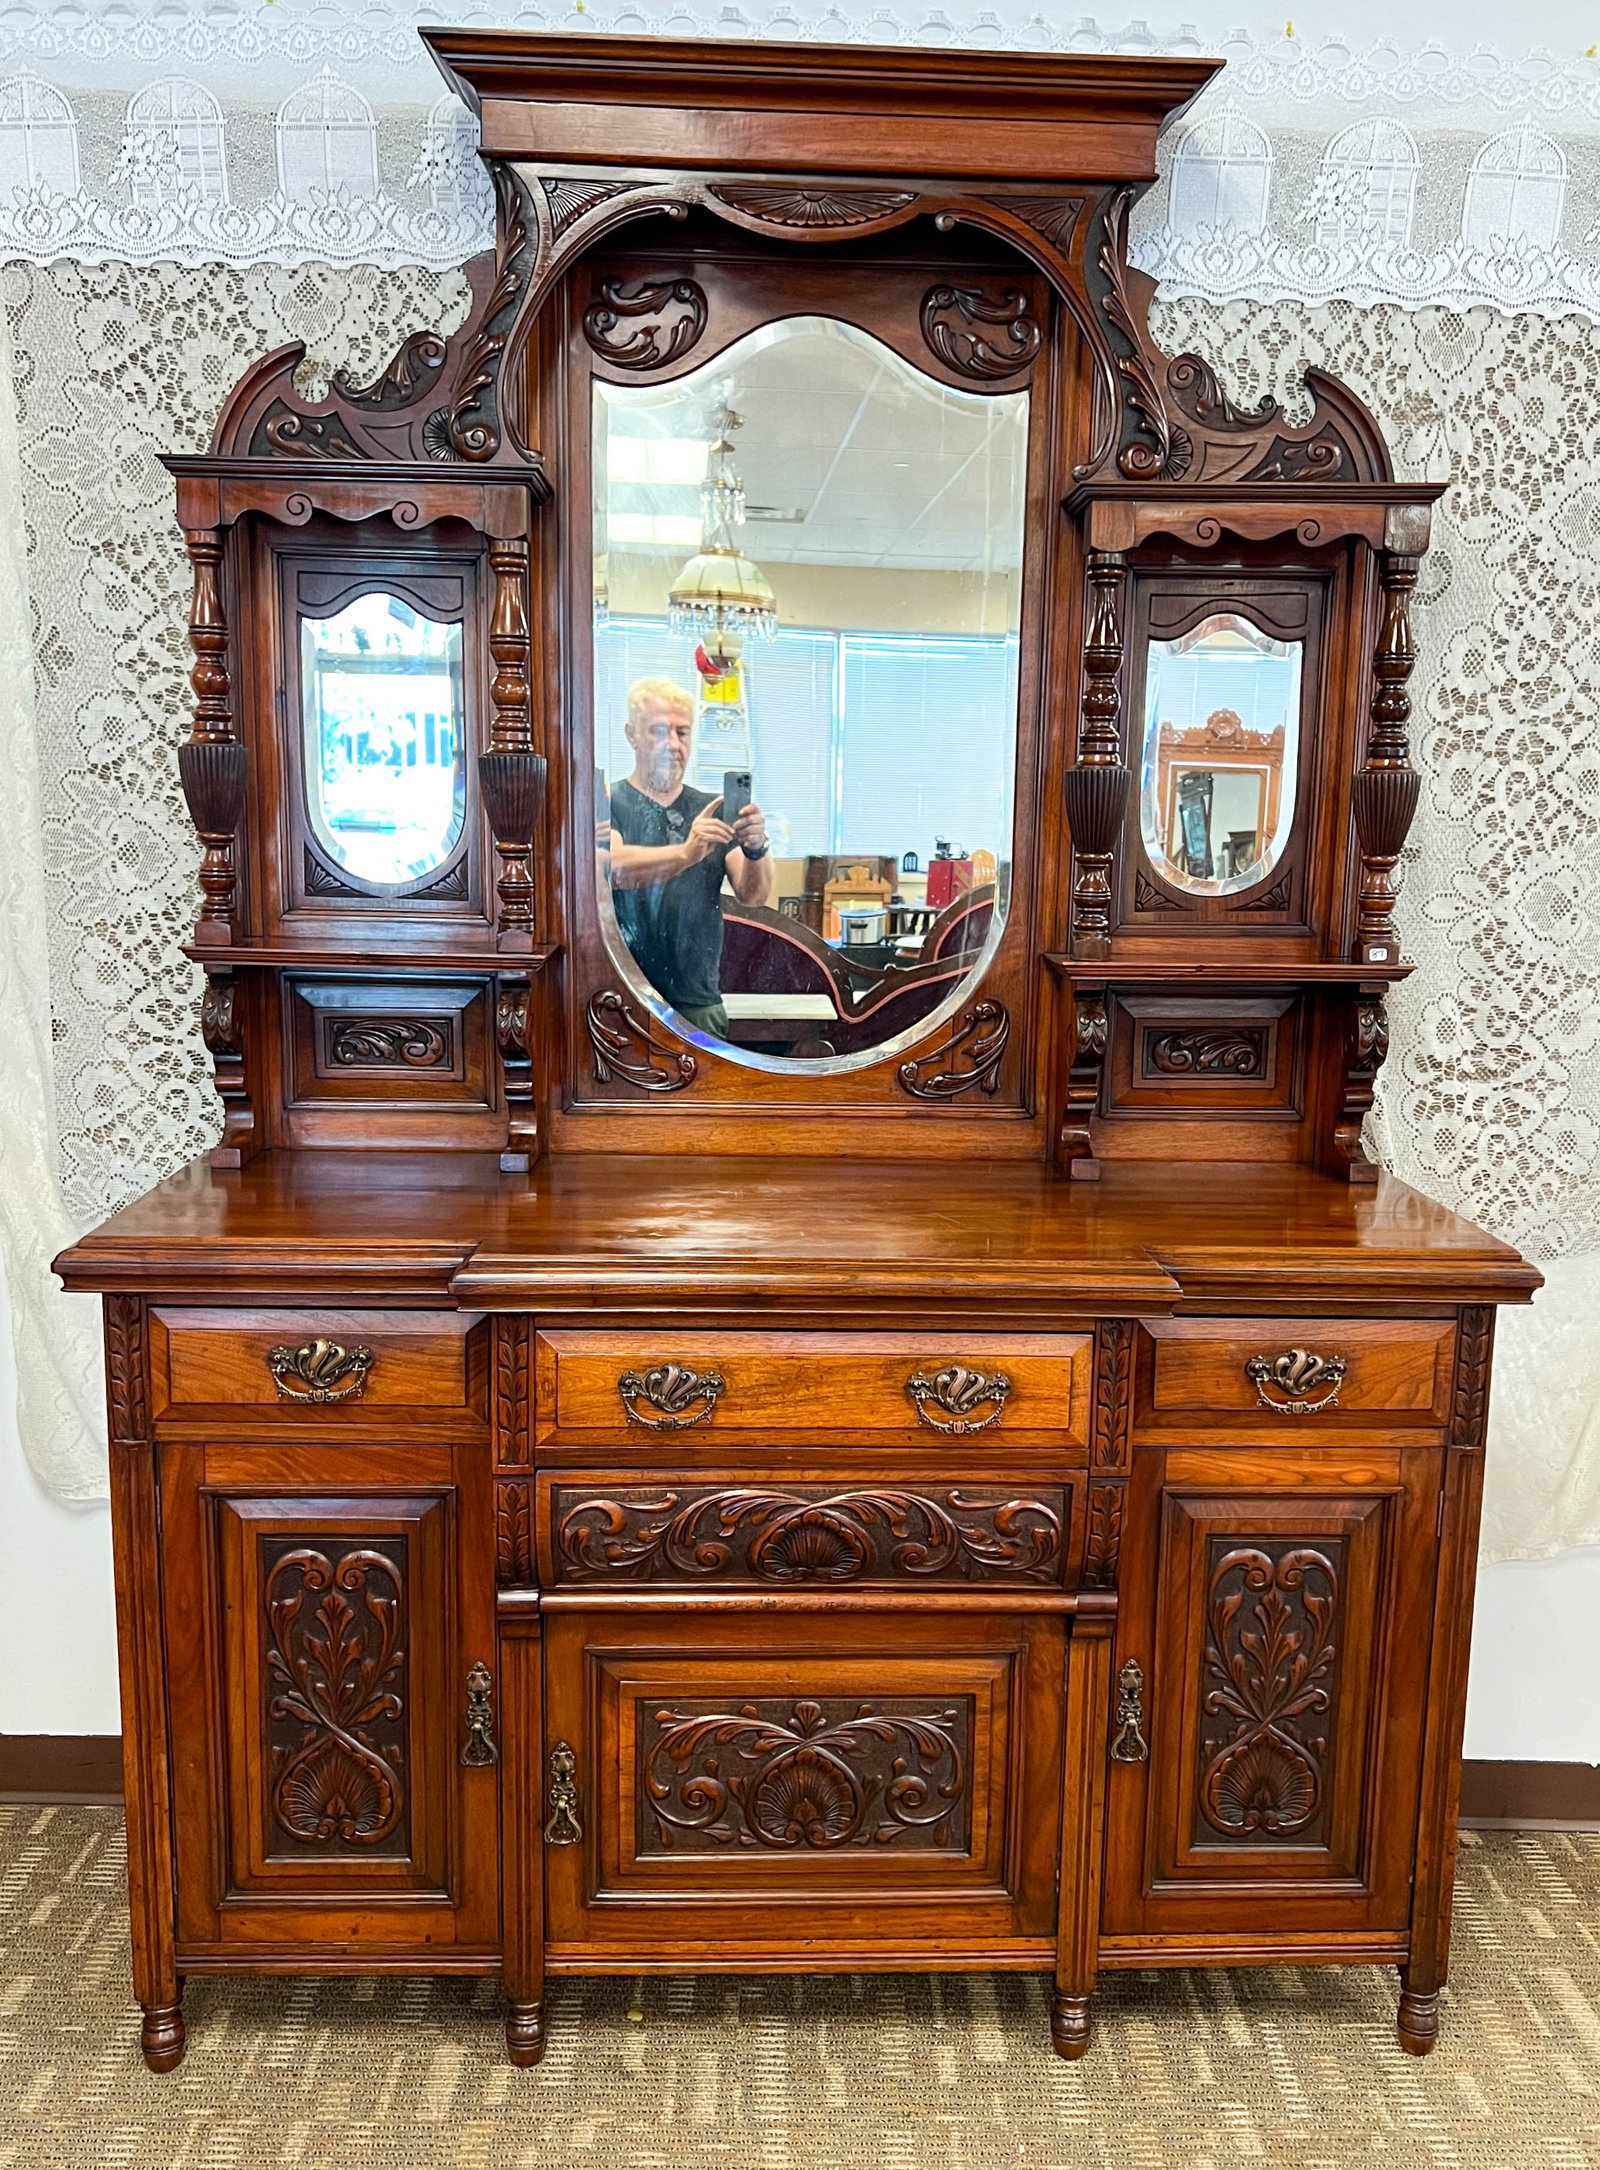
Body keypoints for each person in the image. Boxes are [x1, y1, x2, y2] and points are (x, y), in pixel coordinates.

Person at [605, 676, 772, 1036]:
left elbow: (753, 894)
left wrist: (757, 847)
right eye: (659, 731)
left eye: (682, 732)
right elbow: (612, 867)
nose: (673, 744)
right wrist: (685, 853)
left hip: (699, 1001)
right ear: (631, 735)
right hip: (618, 995)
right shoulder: (606, 800)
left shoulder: (711, 809)